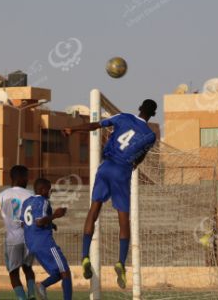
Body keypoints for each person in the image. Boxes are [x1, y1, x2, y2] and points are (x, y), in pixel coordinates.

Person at [63, 99, 157, 288]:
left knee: (94, 210)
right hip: (122, 171)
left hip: (105, 166)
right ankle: (120, 262)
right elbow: (141, 156)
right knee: (123, 219)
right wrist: (135, 164)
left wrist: (73, 129)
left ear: (139, 107)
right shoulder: (150, 135)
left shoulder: (123, 117)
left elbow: (95, 125)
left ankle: (84, 256)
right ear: (153, 114)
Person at [0, 165, 37, 300]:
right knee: (28, 268)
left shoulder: (1, 196)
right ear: (21, 178)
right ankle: (31, 294)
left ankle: (22, 298)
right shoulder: (32, 195)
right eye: (27, 177)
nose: (28, 180)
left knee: (13, 273)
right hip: (30, 239)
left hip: (13, 241)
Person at [21, 178, 71, 300]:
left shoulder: (27, 202)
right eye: (49, 190)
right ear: (43, 190)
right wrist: (55, 215)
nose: (50, 192)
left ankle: (42, 285)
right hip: (44, 242)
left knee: (57, 273)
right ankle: (43, 286)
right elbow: (38, 222)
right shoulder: (43, 201)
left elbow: (24, 223)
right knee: (65, 273)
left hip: (31, 243)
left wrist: (50, 224)